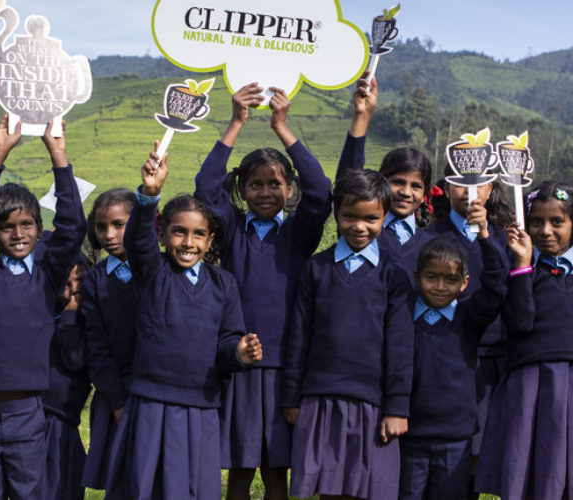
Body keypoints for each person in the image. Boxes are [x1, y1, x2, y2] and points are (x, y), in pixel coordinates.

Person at [193, 82, 332, 500]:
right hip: (235, 361)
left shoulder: (298, 234)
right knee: (237, 468)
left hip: (284, 365)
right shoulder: (231, 229)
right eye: (256, 184)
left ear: (289, 190)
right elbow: (205, 186)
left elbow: (322, 190)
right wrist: (237, 121)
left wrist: (281, 127)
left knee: (276, 469)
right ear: (243, 189)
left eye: (276, 184)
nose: (266, 192)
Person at [104, 144, 264, 500]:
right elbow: (137, 240)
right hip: (151, 402)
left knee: (192, 490)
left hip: (201, 407)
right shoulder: (153, 271)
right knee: (146, 487)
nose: (188, 242)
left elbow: (227, 341)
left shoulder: (223, 284)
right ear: (162, 236)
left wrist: (238, 352)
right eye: (178, 232)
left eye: (198, 234)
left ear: (209, 241)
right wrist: (149, 193)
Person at [0, 115, 86, 499]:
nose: (18, 234)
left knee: (30, 493)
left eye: (27, 225)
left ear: (40, 228)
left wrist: (57, 155)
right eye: (7, 227)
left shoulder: (47, 276)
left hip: (29, 413)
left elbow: (74, 224)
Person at [476, 181, 573, 500]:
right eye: (536, 222)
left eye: (557, 222)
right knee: (526, 468)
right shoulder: (522, 270)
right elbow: (520, 323)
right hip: (529, 382)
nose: (545, 231)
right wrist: (522, 266)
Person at [282, 169, 413, 500]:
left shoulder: (393, 275)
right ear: (337, 213)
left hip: (373, 403)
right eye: (349, 216)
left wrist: (397, 406)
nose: (359, 226)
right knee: (329, 489)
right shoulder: (317, 268)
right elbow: (299, 336)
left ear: (385, 215)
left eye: (371, 218)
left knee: (366, 490)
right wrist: (292, 397)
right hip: (320, 398)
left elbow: (400, 345)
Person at [401, 231, 505, 499]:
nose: (440, 286)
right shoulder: (403, 316)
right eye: (431, 277)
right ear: (417, 277)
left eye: (450, 280)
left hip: (456, 437)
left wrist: (485, 238)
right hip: (411, 435)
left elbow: (496, 285)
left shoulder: (469, 316)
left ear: (464, 283)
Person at [337, 73, 439, 272]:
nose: (406, 192)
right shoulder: (361, 232)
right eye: (398, 182)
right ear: (382, 183)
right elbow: (348, 178)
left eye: (416, 186)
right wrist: (362, 116)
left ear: (426, 192)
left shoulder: (431, 243)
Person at [79, 187, 139, 492]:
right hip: (114, 393)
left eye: (118, 224)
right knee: (118, 478)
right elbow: (96, 346)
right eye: (101, 227)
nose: (109, 234)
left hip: (156, 391)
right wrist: (117, 403)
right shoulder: (94, 280)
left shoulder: (159, 271)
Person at [42, 261, 93, 500]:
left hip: (62, 422)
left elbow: (75, 358)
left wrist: (71, 312)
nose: (73, 288)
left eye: (79, 281)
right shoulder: (47, 314)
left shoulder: (88, 323)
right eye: (66, 282)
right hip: (37, 417)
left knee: (62, 487)